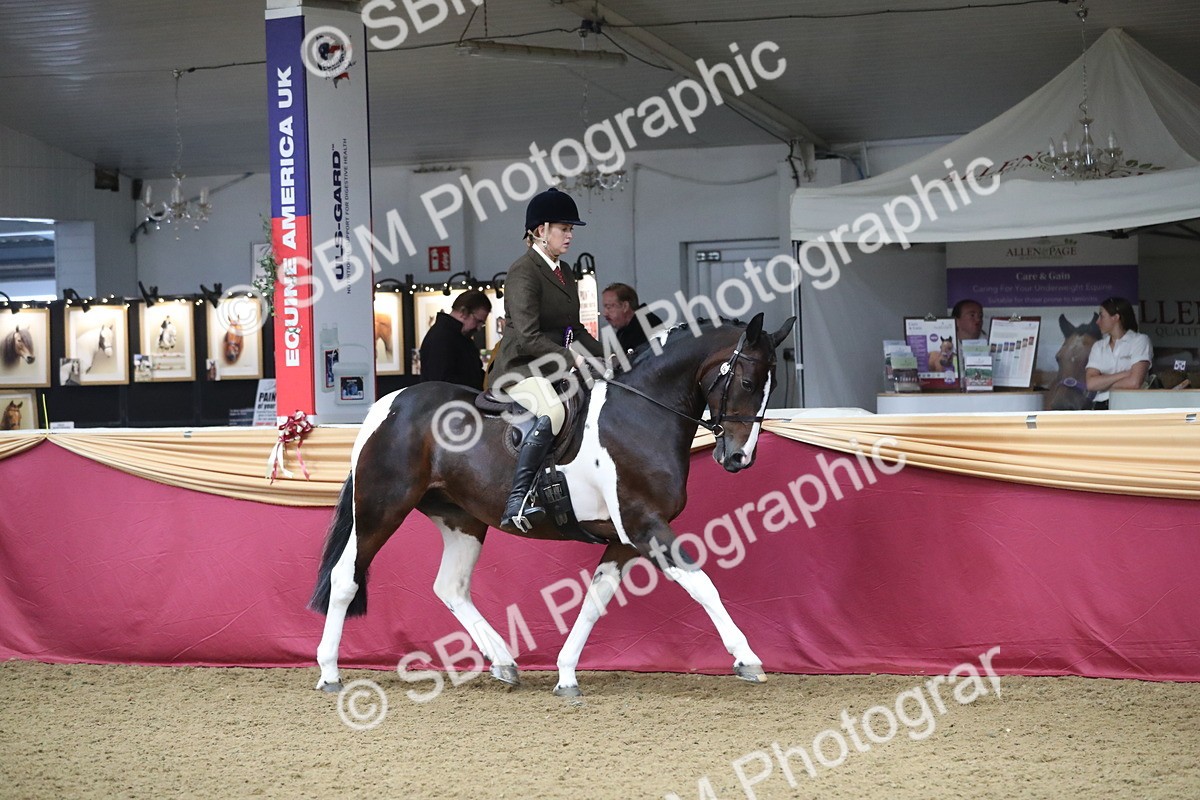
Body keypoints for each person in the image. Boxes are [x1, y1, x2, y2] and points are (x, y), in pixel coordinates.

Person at [488, 187, 604, 531]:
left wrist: (607, 356)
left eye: (571, 230)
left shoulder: (564, 271)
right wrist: (572, 359)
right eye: (563, 228)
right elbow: (527, 335)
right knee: (553, 410)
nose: (569, 235)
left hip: (554, 365)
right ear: (540, 230)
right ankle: (519, 499)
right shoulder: (523, 271)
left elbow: (577, 329)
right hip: (521, 369)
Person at [1085, 296, 1152, 410]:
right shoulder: (1098, 346)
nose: (1097, 321)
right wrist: (1125, 374)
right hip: (1100, 406)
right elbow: (1090, 384)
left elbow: (1134, 383)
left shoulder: (1139, 340)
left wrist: (1102, 383)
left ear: (1115, 317)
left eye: (1101, 316)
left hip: (1129, 405)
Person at [418, 290, 491, 390]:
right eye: (478, 321)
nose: (478, 328)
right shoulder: (441, 337)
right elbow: (441, 384)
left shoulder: (458, 336)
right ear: (463, 312)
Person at [602, 282, 663, 353]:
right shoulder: (624, 330)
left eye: (609, 307)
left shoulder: (647, 326)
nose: (605, 313)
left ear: (625, 306)